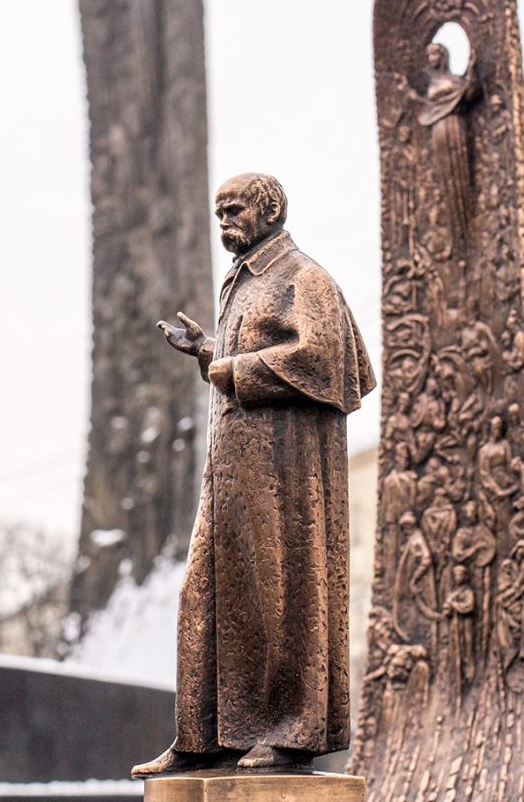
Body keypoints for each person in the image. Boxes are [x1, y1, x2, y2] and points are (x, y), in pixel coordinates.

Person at [133, 173, 374, 775]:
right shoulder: (241, 283)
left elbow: (326, 363)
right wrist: (207, 351)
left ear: (270, 209)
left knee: (279, 594)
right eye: (218, 214)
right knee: (205, 592)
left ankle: (289, 733)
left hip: (285, 473)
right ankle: (203, 736)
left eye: (233, 211)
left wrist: (232, 369)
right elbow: (244, 361)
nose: (224, 225)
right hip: (230, 473)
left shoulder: (304, 278)